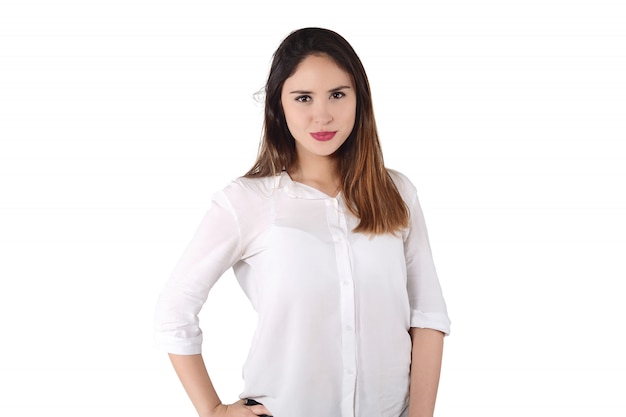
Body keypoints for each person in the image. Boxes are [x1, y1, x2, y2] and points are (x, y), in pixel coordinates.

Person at [154, 27, 451, 417]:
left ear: (360, 99)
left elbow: (426, 314)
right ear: (279, 105)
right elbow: (175, 309)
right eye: (304, 98)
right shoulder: (247, 202)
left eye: (338, 95)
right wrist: (213, 410)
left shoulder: (396, 193)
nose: (322, 115)